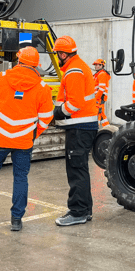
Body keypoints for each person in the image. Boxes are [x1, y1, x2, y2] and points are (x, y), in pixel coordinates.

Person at [0, 47, 53, 231]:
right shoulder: (42, 88)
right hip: (24, 142)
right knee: (20, 178)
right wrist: (32, 134)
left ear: (19, 61)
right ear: (36, 66)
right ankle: (16, 220)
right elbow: (46, 117)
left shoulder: (0, 78)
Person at [52, 36, 98, 226]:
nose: (57, 58)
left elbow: (75, 103)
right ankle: (84, 210)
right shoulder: (77, 67)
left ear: (63, 54)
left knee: (76, 171)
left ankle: (77, 212)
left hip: (79, 128)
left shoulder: (73, 71)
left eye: (57, 54)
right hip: (83, 127)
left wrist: (59, 112)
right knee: (81, 170)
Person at [92, 58, 110, 128]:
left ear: (101, 65)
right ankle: (108, 128)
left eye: (97, 65)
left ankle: (98, 128)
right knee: (101, 114)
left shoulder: (102, 74)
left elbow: (101, 89)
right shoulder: (98, 74)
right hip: (98, 98)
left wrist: (96, 99)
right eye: (95, 65)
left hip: (99, 98)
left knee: (99, 114)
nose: (95, 66)